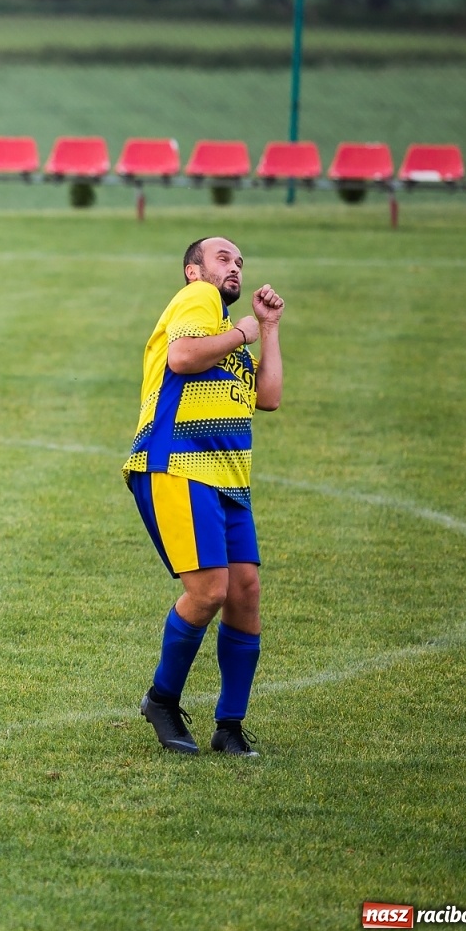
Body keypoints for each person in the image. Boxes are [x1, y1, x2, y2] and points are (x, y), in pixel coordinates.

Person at [125, 237, 285, 758]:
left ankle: (230, 726)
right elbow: (183, 356)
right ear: (195, 271)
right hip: (177, 466)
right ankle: (161, 699)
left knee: (245, 593)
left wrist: (268, 330)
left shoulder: (228, 329)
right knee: (210, 590)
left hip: (229, 479)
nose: (235, 266)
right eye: (223, 258)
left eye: (240, 261)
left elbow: (269, 397)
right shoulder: (198, 302)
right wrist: (243, 330)